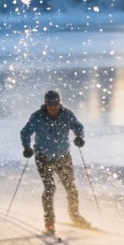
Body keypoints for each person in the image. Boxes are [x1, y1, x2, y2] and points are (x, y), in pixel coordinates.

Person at [20, 89, 91, 235]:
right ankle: (49, 221)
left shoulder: (67, 114)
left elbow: (78, 127)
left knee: (71, 188)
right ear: (45, 104)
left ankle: (75, 216)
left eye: (55, 104)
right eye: (49, 104)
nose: (52, 107)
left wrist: (79, 137)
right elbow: (25, 132)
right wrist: (27, 147)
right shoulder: (37, 117)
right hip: (43, 157)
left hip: (63, 157)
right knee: (50, 188)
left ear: (59, 103)